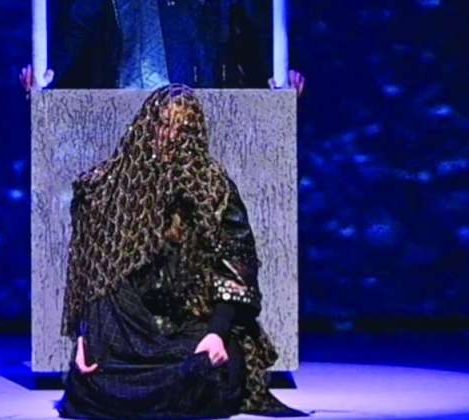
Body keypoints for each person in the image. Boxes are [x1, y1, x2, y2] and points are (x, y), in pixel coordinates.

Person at [55, 83, 307, 418]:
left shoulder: (213, 188)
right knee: (96, 383)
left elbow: (236, 264)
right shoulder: (108, 186)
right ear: (148, 125)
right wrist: (86, 336)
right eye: (164, 124)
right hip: (126, 332)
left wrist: (216, 334)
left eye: (183, 129)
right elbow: (94, 274)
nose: (172, 136)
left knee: (209, 371)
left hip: (186, 324)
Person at [20, 0, 305, 93]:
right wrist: (48, 76)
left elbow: (253, 26)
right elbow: (77, 28)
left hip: (200, 107)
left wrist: (277, 79)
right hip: (124, 110)